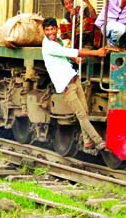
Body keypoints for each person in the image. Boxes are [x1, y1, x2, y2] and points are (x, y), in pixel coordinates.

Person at [40, 18, 110, 152]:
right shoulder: (49, 46)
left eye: (52, 29)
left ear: (56, 28)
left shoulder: (57, 40)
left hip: (74, 79)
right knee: (81, 115)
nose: (50, 32)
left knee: (85, 111)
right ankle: (98, 141)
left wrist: (75, 59)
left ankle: (87, 141)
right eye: (47, 30)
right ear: (44, 31)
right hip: (66, 85)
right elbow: (71, 52)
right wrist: (96, 52)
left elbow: (65, 51)